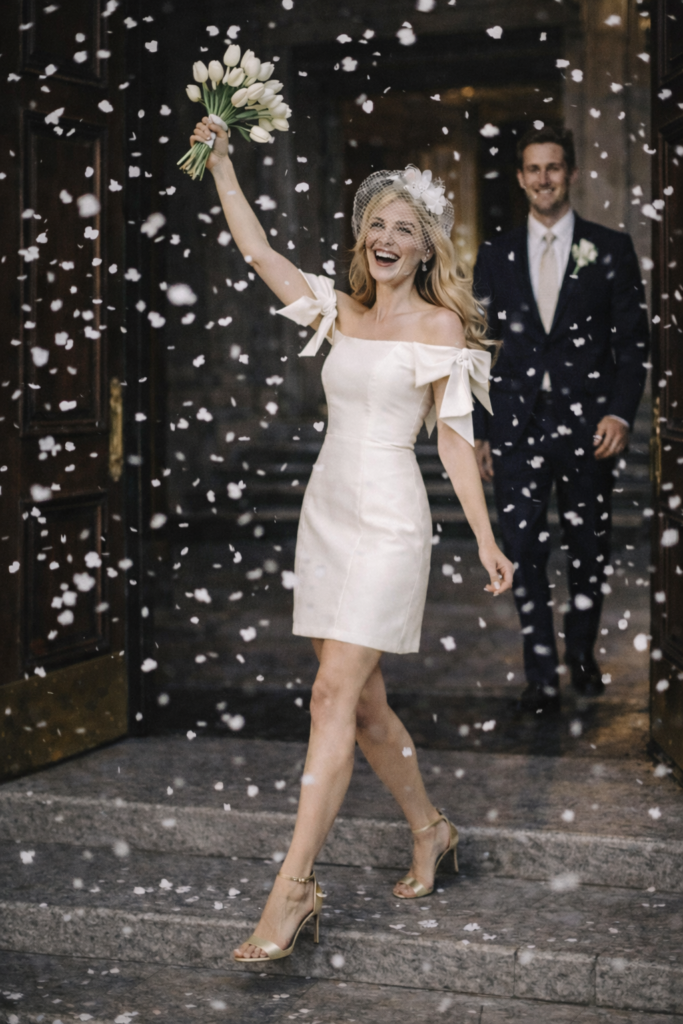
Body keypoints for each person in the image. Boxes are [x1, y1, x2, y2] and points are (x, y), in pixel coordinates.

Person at [189, 115, 514, 964]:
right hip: (326, 513)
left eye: (404, 229)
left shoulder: (440, 330)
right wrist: (224, 163)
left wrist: (482, 536)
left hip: (391, 522)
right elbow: (259, 251)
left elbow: (450, 439)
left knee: (332, 695)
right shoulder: (335, 309)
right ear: (361, 238)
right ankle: (431, 829)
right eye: (376, 224)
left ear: (424, 248)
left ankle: (293, 888)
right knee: (362, 702)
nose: (386, 237)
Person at [473, 124, 649, 715]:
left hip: (587, 427)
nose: (543, 178)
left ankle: (581, 656)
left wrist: (621, 413)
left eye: (553, 167)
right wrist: (479, 430)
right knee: (523, 551)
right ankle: (541, 672)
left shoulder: (610, 248)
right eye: (533, 169)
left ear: (570, 173)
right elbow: (478, 349)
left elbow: (633, 343)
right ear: (521, 178)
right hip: (517, 427)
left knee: (588, 548)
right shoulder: (495, 254)